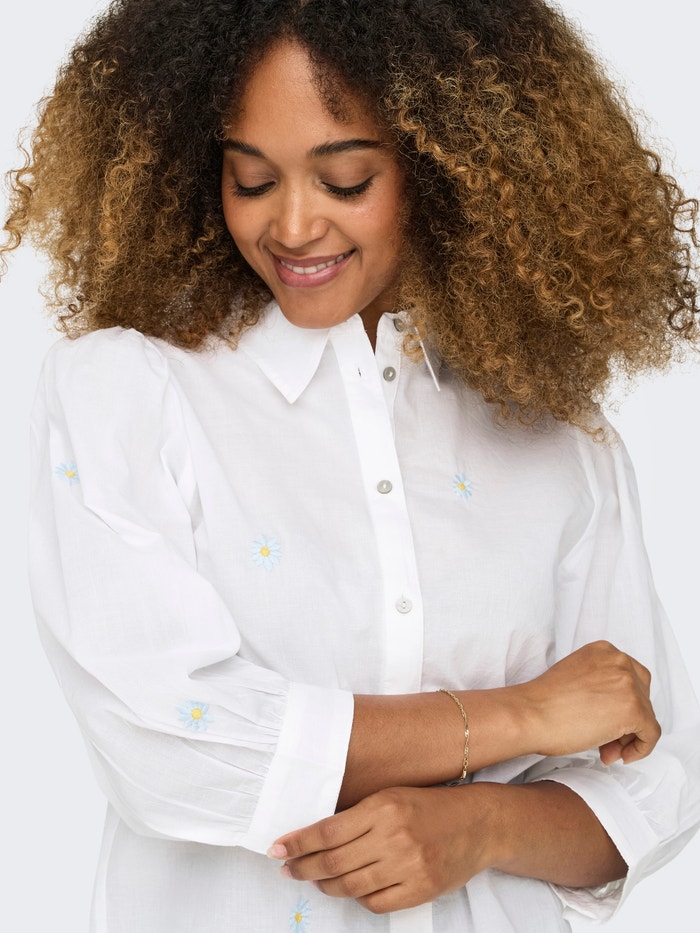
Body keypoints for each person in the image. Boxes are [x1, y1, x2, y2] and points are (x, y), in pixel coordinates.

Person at [2, 1, 699, 931]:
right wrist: (522, 717)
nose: (293, 225)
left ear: (446, 169)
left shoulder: (559, 438)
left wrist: (481, 825)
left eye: (345, 180)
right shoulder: (129, 392)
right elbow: (169, 744)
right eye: (252, 180)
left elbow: (653, 779)